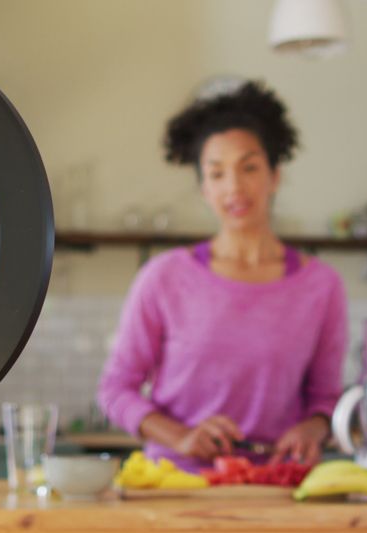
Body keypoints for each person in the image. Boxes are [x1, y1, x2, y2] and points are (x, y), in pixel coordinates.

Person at [96, 81, 348, 473]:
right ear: (203, 188)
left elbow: (326, 398)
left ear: (274, 175)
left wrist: (313, 429)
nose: (234, 186)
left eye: (249, 167)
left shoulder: (322, 286)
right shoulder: (163, 278)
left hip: (276, 485)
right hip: (177, 488)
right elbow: (115, 390)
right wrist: (181, 437)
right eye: (217, 173)